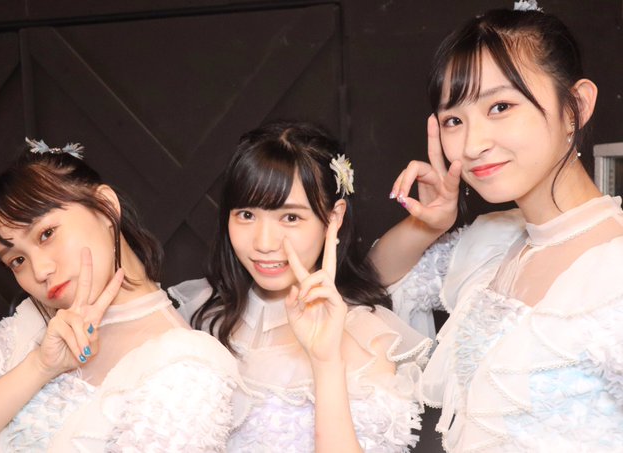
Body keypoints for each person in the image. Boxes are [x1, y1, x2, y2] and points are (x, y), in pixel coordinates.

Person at [369, 5, 623, 452]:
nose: (472, 144)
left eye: (500, 107)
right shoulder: (493, 242)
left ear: (576, 107)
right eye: (454, 120)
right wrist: (429, 224)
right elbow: (375, 279)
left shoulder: (613, 270)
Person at [0, 140, 247, 452]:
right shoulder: (33, 322)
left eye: (46, 234)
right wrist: (40, 367)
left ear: (105, 207)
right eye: (17, 260)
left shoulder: (186, 366)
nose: (41, 270)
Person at [169, 121, 431, 452]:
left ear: (334, 217)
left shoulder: (364, 337)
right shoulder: (201, 314)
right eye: (246, 215)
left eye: (290, 218)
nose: (264, 243)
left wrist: (326, 362)